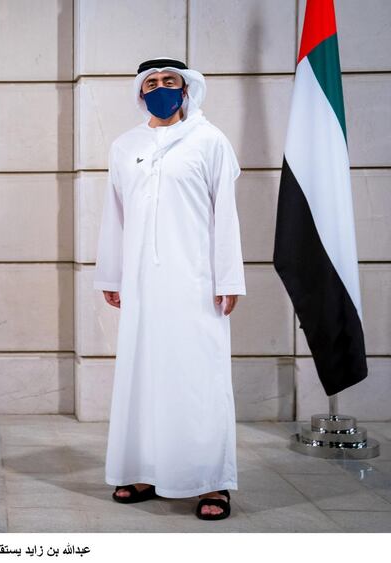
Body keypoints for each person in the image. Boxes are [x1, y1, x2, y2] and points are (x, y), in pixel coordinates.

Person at [94, 57, 246, 521]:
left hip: (196, 282)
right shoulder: (125, 146)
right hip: (142, 284)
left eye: (170, 81)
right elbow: (115, 215)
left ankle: (211, 482)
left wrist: (229, 277)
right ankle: (143, 470)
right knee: (144, 375)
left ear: (186, 89)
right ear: (141, 93)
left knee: (199, 380)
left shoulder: (209, 140)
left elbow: (226, 213)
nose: (160, 88)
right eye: (152, 82)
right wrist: (112, 274)